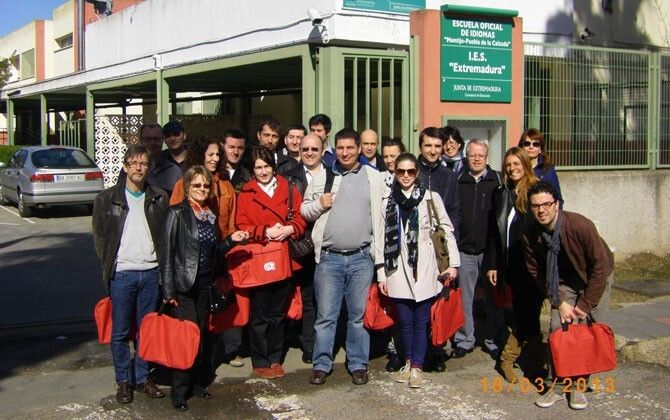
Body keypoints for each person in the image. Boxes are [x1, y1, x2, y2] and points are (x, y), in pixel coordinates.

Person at [301, 128, 385, 386]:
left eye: (350, 148)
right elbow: (304, 211)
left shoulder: (374, 177)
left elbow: (381, 218)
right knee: (326, 316)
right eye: (340, 148)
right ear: (334, 149)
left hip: (361, 258)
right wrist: (320, 204)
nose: (345, 152)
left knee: (358, 317)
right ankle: (321, 364)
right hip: (329, 259)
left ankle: (358, 364)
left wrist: (379, 260)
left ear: (359, 149)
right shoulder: (323, 176)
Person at [161, 165, 248, 411]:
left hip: (205, 285)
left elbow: (215, 251)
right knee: (188, 339)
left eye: (206, 186)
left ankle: (196, 383)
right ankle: (179, 390)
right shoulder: (176, 213)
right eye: (197, 185)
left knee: (202, 336)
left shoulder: (209, 215)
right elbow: (166, 253)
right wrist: (168, 291)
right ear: (187, 186)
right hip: (183, 287)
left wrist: (231, 240)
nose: (202, 189)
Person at [524, 181, 613, 411]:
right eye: (536, 206)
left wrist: (585, 304)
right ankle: (558, 383)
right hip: (561, 283)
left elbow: (600, 267)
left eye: (546, 204)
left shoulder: (580, 225)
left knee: (585, 331)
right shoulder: (531, 232)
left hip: (595, 277)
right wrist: (559, 300)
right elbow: (536, 270)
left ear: (557, 204)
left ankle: (579, 386)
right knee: (558, 328)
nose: (541, 210)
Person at [92, 145, 169, 405]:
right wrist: (111, 266)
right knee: (121, 331)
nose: (138, 167)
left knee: (146, 331)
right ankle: (124, 380)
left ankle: (143, 377)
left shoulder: (159, 197)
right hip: (122, 273)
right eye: (134, 163)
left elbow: (164, 236)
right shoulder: (106, 199)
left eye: (143, 163)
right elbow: (100, 238)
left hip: (150, 272)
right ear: (125, 166)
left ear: (149, 168)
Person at [378, 153, 459, 388]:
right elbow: (380, 239)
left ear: (417, 173)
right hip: (396, 268)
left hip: (425, 267)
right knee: (404, 321)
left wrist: (452, 265)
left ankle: (417, 366)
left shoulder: (431, 198)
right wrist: (381, 273)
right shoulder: (387, 201)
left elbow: (446, 230)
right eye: (401, 171)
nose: (406, 176)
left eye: (410, 171)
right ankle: (408, 361)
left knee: (421, 320)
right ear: (395, 173)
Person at [235, 147, 307, 379]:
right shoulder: (245, 194)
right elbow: (241, 225)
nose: (263, 171)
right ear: (252, 170)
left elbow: (300, 218)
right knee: (259, 313)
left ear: (273, 167)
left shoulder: (289, 189)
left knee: (278, 313)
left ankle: (275, 357)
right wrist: (265, 231)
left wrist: (289, 229)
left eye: (266, 166)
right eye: (258, 167)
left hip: (283, 257)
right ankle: (260, 359)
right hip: (260, 259)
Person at [486, 147, 544, 384]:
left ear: (525, 164)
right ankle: (523, 360)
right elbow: (494, 232)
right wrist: (492, 264)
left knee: (528, 313)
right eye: (508, 165)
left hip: (533, 263)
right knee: (525, 313)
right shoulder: (501, 193)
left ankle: (514, 359)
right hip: (510, 264)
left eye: (516, 164)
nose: (512, 169)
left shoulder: (536, 191)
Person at [452, 139, 504, 360]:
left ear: (487, 157)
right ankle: (465, 339)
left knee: (493, 299)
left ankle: (494, 340)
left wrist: (496, 256)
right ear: (466, 156)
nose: (476, 159)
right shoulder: (459, 180)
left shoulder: (497, 181)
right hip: (465, 250)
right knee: (465, 299)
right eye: (472, 155)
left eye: (480, 155)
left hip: (489, 252)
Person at [416, 126, 461, 372]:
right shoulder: (411, 170)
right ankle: (410, 352)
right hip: (415, 246)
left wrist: (450, 253)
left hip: (440, 248)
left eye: (437, 146)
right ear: (420, 147)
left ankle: (435, 351)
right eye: (428, 146)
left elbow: (454, 213)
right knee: (414, 300)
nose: (433, 151)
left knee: (438, 301)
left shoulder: (449, 176)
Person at [284, 134, 332, 364]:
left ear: (323, 151)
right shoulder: (289, 176)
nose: (310, 153)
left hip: (326, 243)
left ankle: (322, 342)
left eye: (314, 149)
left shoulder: (333, 175)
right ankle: (308, 344)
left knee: (325, 298)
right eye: (305, 149)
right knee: (305, 296)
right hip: (300, 243)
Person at [170, 137, 236, 239]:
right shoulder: (183, 184)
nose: (216, 159)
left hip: (223, 244)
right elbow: (175, 219)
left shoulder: (226, 185)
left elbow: (232, 222)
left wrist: (230, 242)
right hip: (193, 244)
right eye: (211, 155)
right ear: (200, 156)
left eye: (217, 154)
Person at [116, 122, 182, 196]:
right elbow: (119, 196)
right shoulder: (130, 169)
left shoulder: (174, 172)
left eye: (156, 139)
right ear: (141, 140)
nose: (152, 143)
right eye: (148, 139)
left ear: (162, 140)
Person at [518, 128, 563, 205]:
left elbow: (557, 198)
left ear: (540, 149)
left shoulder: (548, 171)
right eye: (527, 143)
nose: (531, 147)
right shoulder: (516, 169)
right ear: (521, 147)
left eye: (536, 144)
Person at [221, 128, 252, 192]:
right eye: (231, 147)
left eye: (240, 148)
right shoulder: (214, 173)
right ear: (222, 146)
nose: (236, 152)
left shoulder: (249, 177)